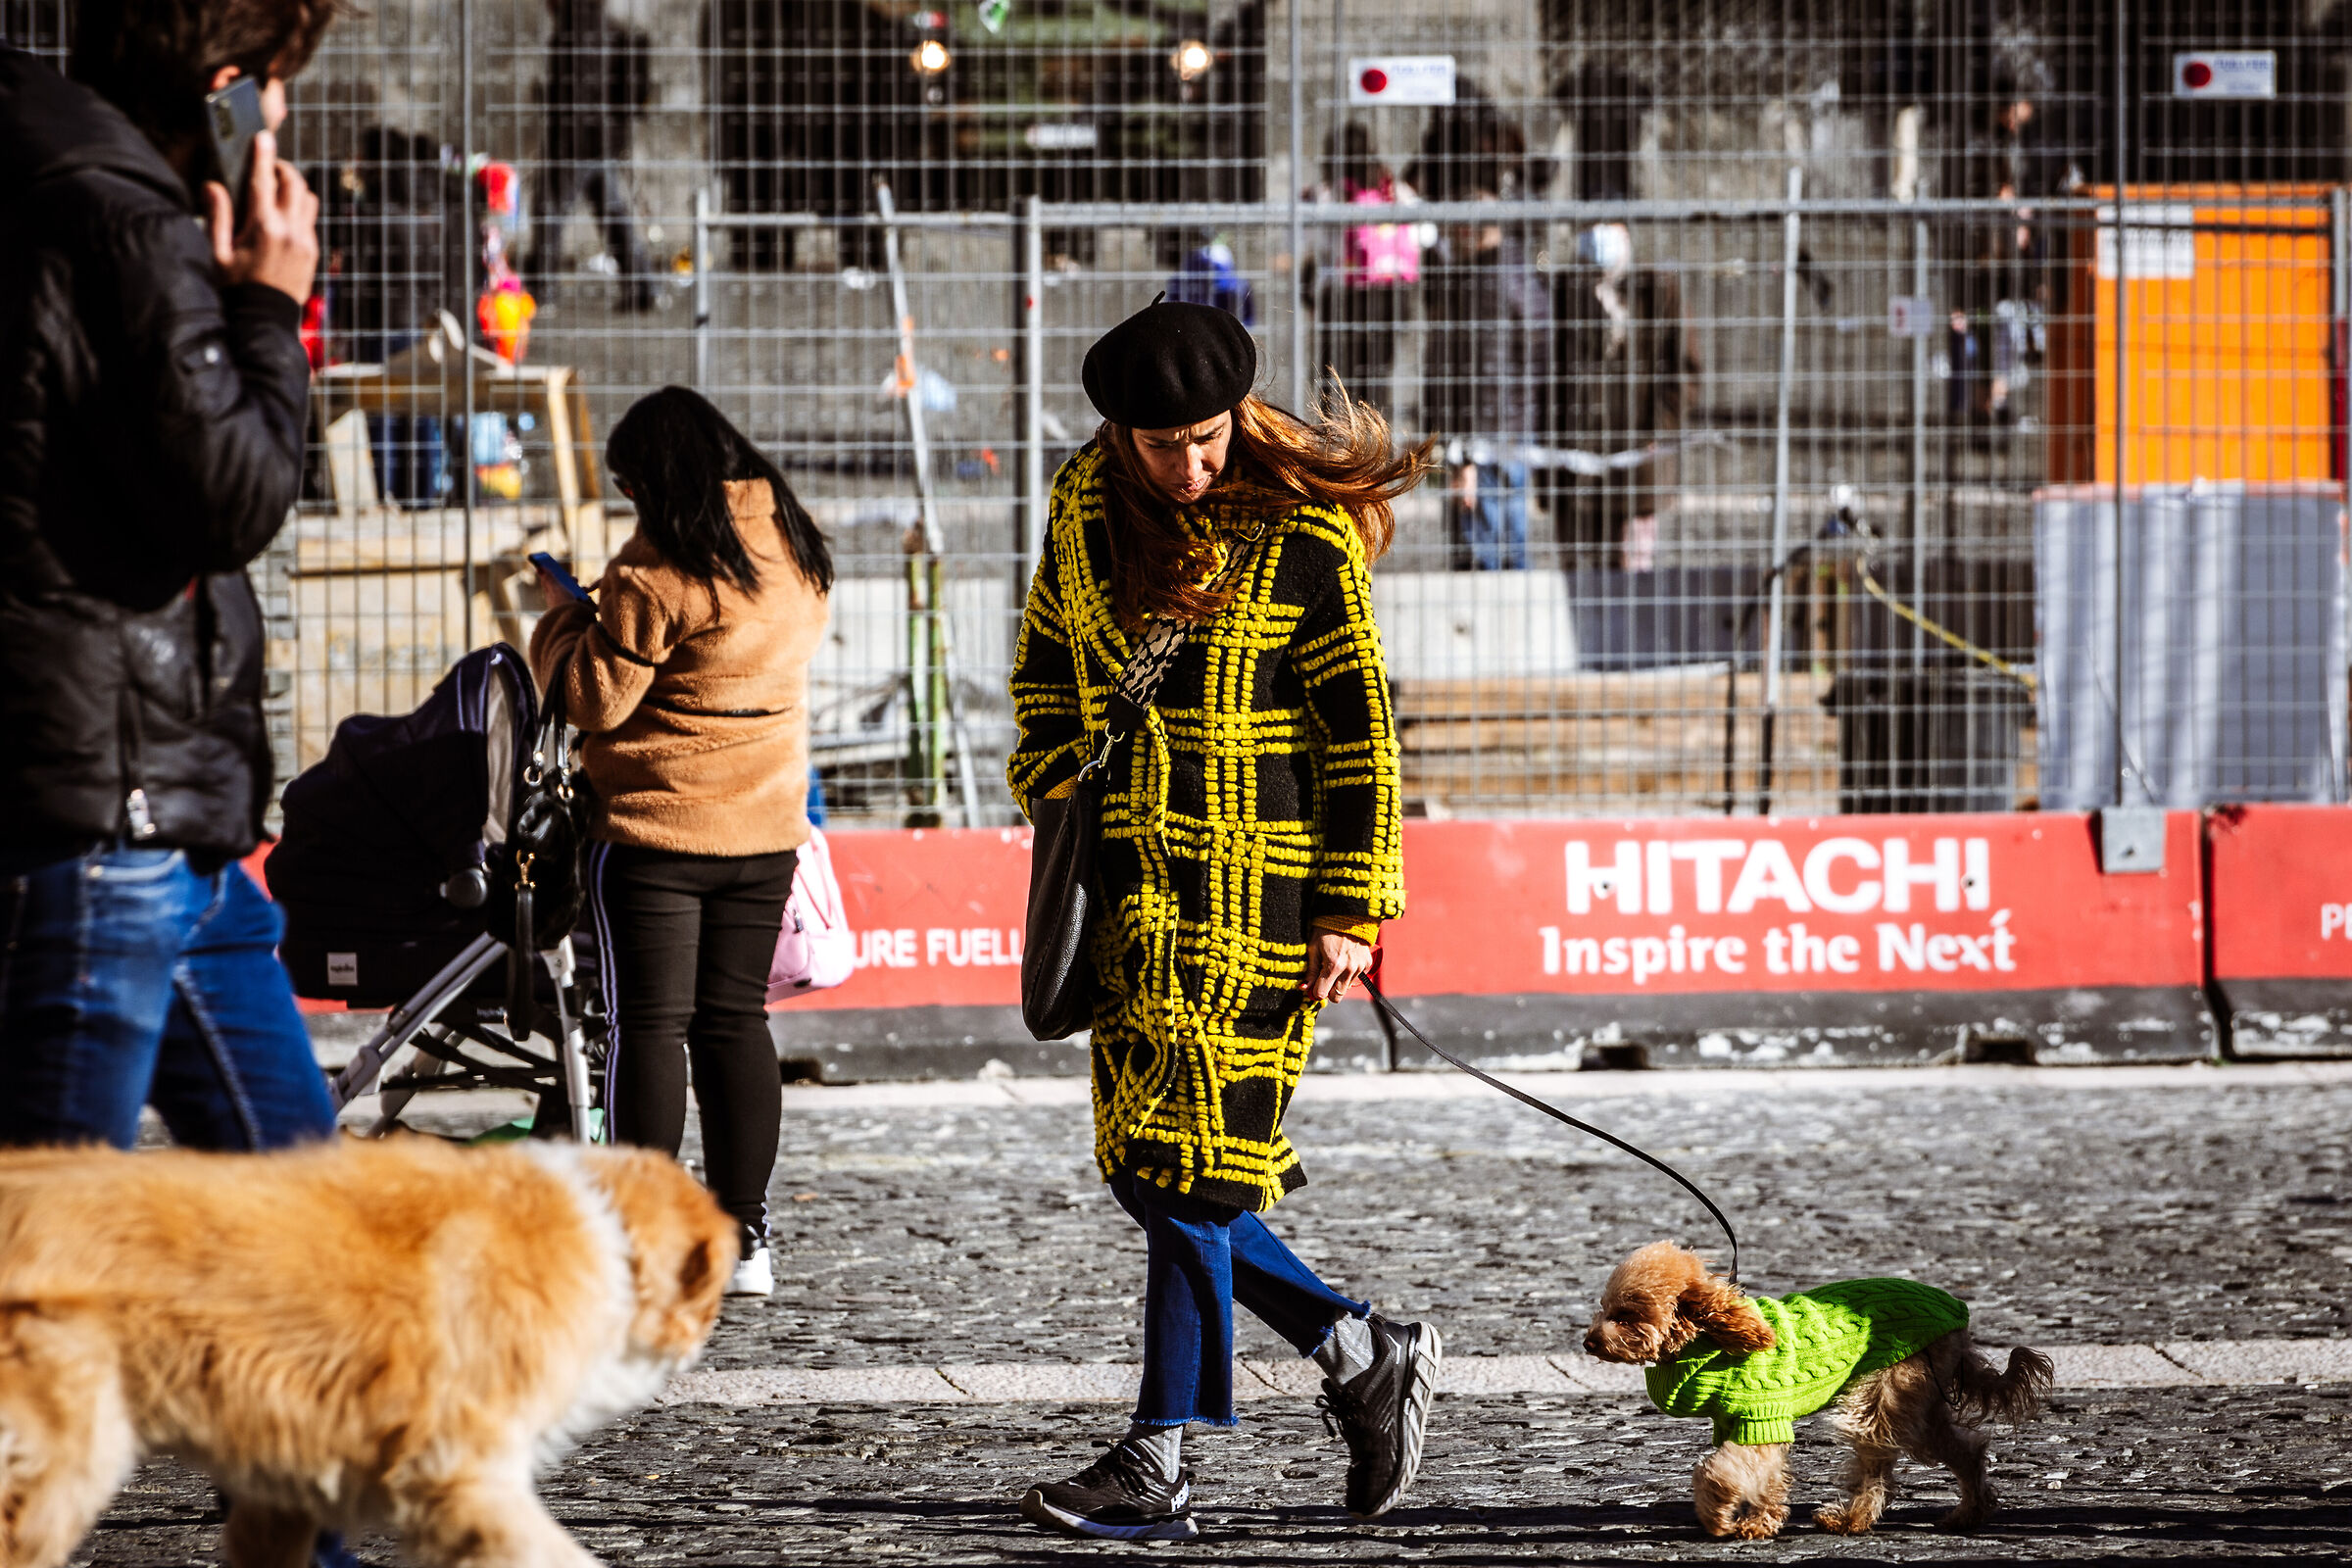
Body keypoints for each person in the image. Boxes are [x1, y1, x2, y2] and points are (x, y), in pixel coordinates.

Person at [1005, 298, 1440, 1541]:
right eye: (1161, 444)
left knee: (1190, 1173)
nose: (1187, 465)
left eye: (1205, 438)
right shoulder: (1081, 508)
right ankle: (1360, 1348)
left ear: (1236, 419)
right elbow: (1043, 666)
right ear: (1117, 431)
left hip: (1264, 899)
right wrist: (1052, 782)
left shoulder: (1303, 533)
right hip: (1132, 896)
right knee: (1146, 1171)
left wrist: (1356, 904)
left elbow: (1363, 730)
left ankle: (1159, 1456)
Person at [0, 0, 339, 1153]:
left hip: (167, 815)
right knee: (48, 1234)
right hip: (111, 808)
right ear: (228, 89)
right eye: (277, 87)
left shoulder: (53, 178)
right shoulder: (126, 225)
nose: (281, 117)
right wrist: (267, 305)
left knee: (306, 1208)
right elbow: (229, 500)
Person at [530, 386, 832, 1298]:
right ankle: (746, 1240)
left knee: (646, 1029)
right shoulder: (792, 547)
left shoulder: (657, 570)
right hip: (765, 831)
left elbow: (593, 699)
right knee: (736, 1025)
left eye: (631, 489)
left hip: (656, 832)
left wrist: (558, 617)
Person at [528, 0, 658, 311]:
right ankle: (644, 288)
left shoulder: (576, 31)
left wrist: (554, 117)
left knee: (548, 211)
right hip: (603, 140)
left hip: (576, 144)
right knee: (613, 215)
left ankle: (541, 293)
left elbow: (579, 93)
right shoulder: (604, 25)